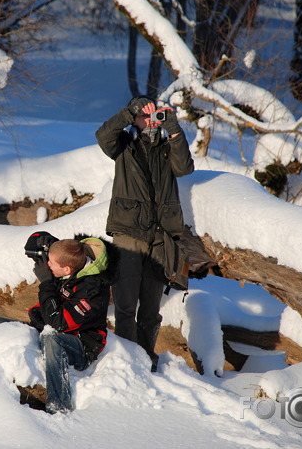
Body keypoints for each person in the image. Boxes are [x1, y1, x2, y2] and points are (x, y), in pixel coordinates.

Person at [95, 96, 194, 372]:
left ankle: (147, 358)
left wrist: (174, 128)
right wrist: (128, 112)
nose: (150, 121)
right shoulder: (124, 145)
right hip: (128, 233)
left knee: (151, 309)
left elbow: (184, 167)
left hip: (160, 237)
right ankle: (128, 362)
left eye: (155, 116)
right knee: (125, 305)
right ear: (136, 119)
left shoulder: (167, 146)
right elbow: (103, 135)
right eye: (144, 116)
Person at [26, 234, 111, 414]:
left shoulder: (92, 291)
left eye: (51, 263)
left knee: (51, 338)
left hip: (83, 345)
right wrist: (42, 241)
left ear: (66, 270)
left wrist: (47, 284)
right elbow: (64, 253)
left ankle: (59, 406)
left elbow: (58, 324)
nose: (47, 266)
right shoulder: (74, 264)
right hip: (56, 330)